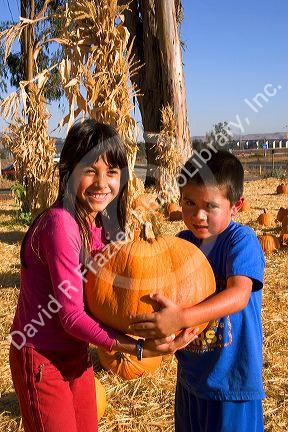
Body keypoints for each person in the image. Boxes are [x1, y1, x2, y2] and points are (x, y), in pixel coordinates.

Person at [9, 120, 196, 432]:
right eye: (90, 170)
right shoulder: (61, 225)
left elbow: (114, 298)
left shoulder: (102, 226)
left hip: (75, 353)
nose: (102, 182)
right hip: (40, 354)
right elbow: (70, 316)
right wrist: (138, 349)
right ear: (68, 170)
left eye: (111, 172)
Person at [129, 149, 266, 432]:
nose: (198, 215)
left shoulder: (241, 241)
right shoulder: (181, 243)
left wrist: (181, 318)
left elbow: (239, 295)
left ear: (236, 205)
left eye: (210, 206)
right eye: (189, 203)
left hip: (232, 383)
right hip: (191, 379)